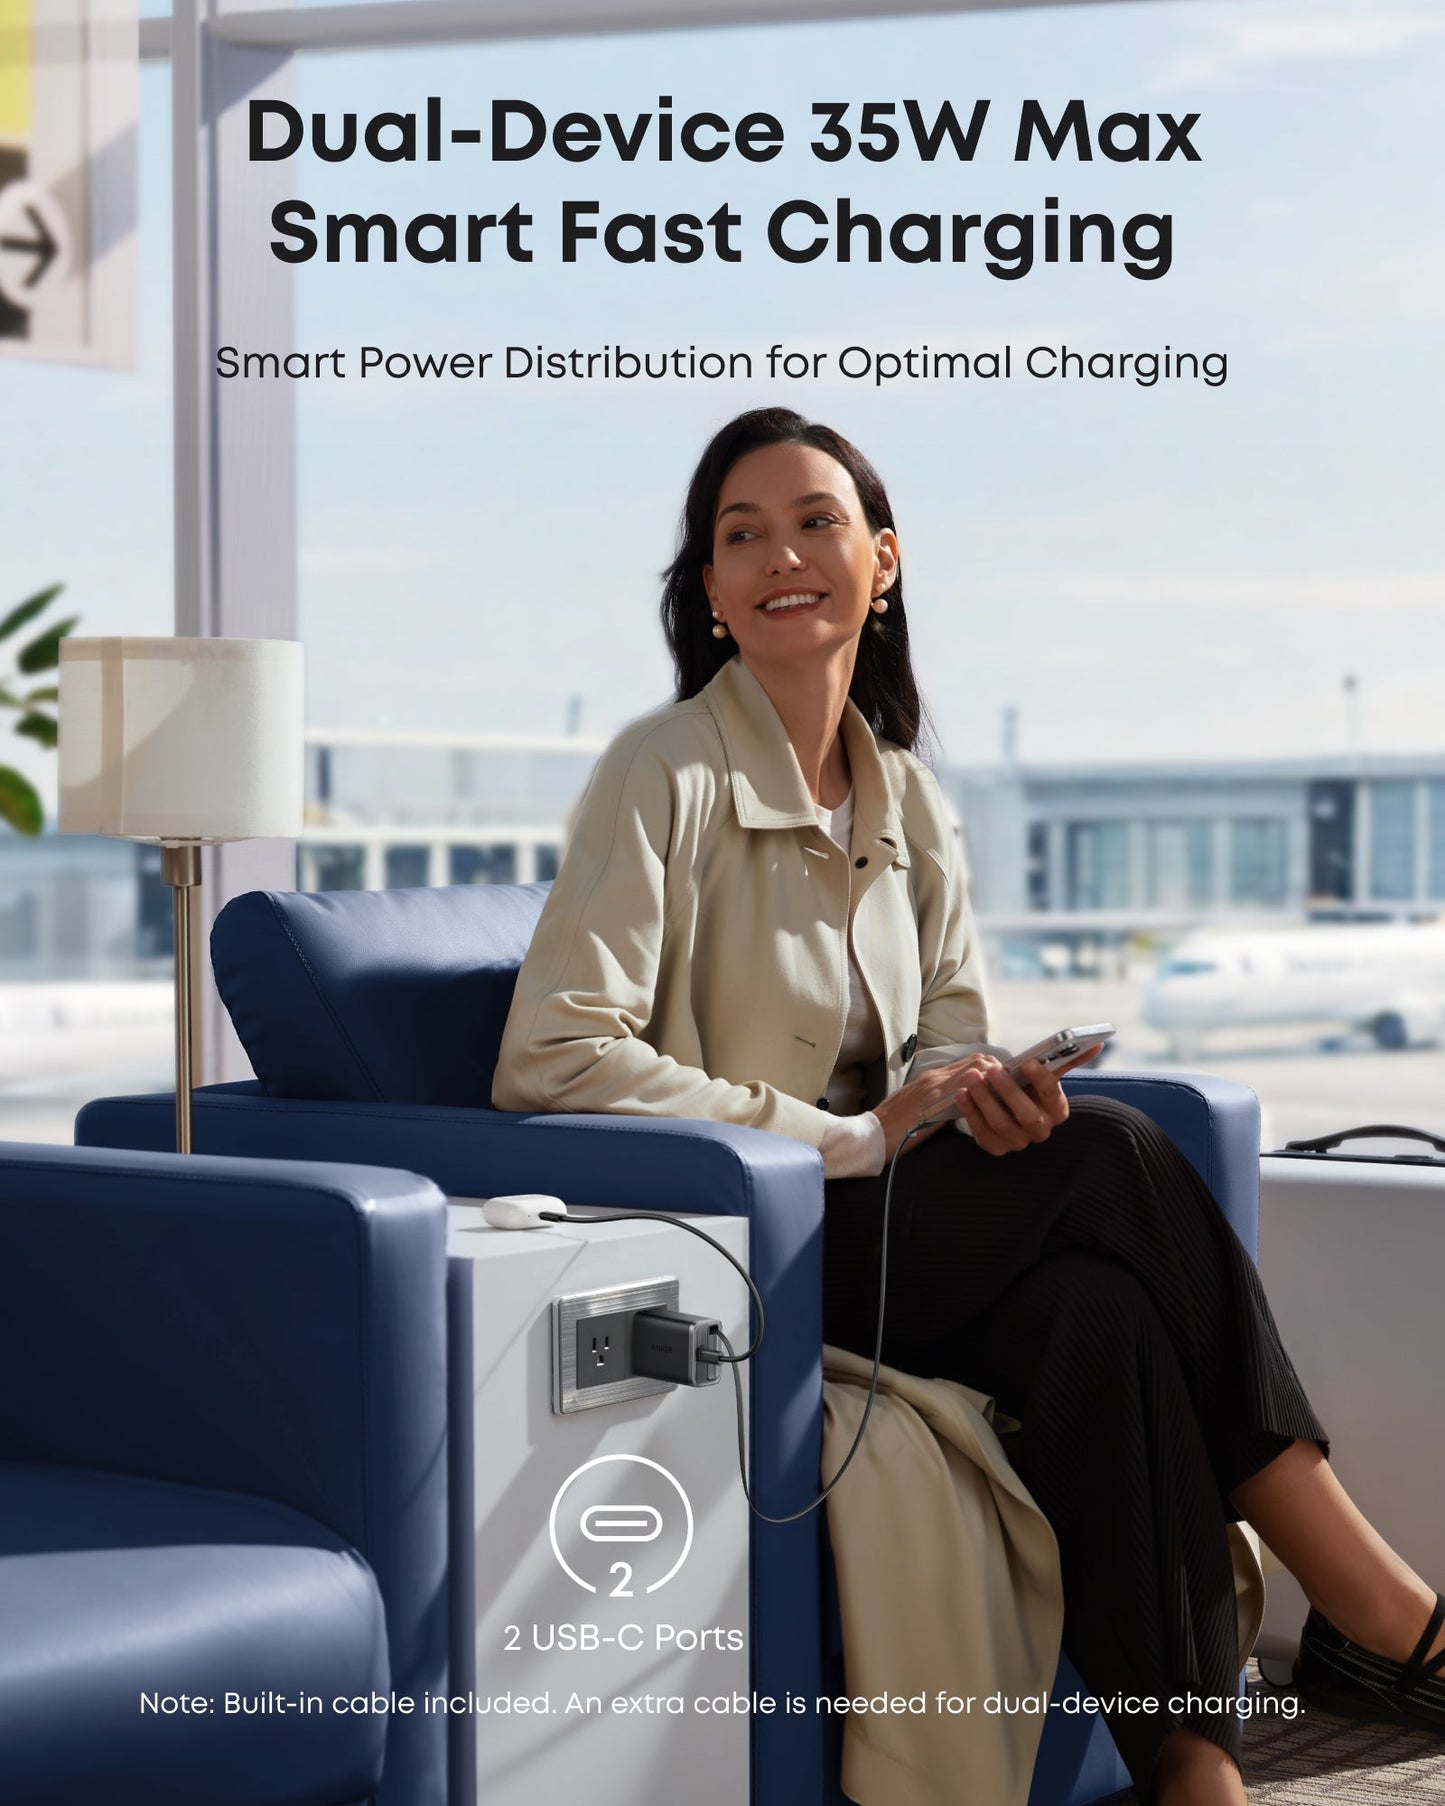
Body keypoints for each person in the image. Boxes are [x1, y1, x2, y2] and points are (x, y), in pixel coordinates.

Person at [493, 407, 1445, 1805]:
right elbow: (554, 1057)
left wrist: (979, 1097)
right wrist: (854, 1136)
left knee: (1100, 1316)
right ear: (706, 590)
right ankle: (1371, 1599)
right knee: (1123, 1151)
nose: (778, 556)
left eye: (814, 521)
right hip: (754, 1251)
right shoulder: (663, 773)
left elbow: (941, 1031)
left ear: (882, 562)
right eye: (738, 534)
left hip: (912, 1238)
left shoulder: (912, 802)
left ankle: (1195, 1772)